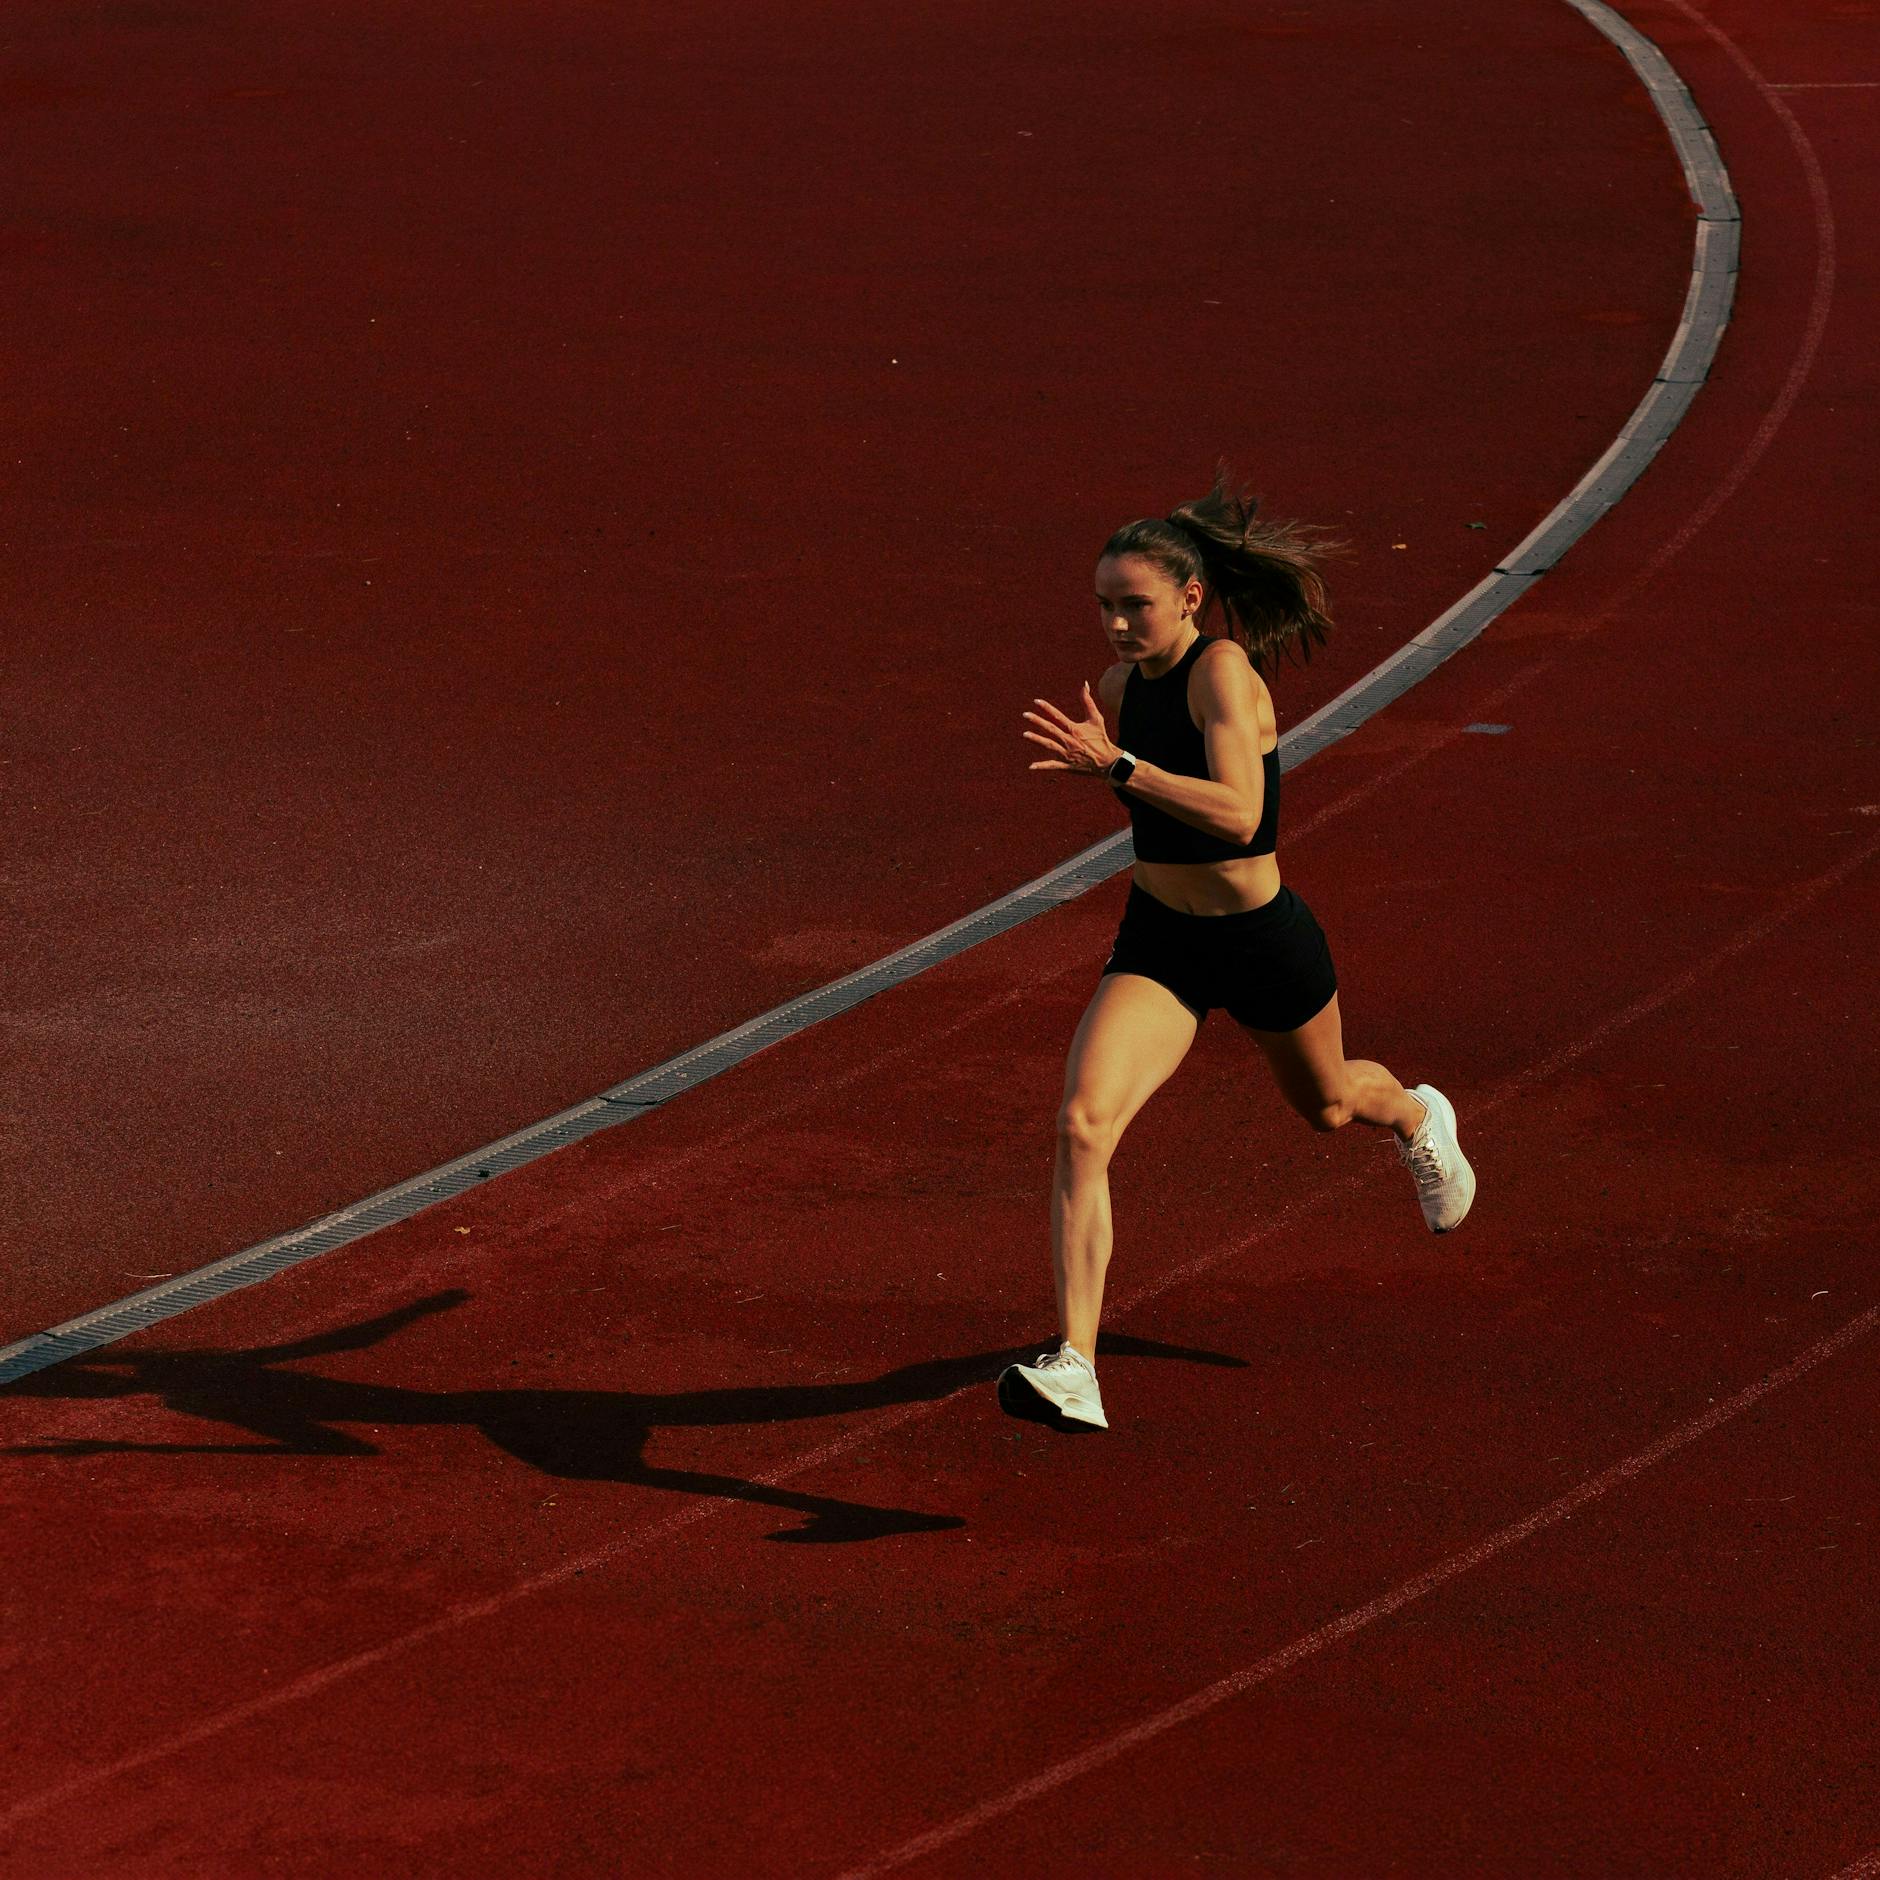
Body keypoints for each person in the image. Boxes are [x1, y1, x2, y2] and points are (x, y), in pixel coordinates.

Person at [999, 468, 1474, 1431]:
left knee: (1329, 1106)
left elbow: (1239, 815)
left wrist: (1117, 766)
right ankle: (1076, 1362)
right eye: (1104, 606)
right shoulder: (1118, 689)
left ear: (1189, 597)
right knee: (1082, 1125)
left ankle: (1416, 1113)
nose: (1117, 624)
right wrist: (1115, 761)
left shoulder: (1222, 671)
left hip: (1260, 940)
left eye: (1135, 605)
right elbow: (1155, 805)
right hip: (1162, 939)